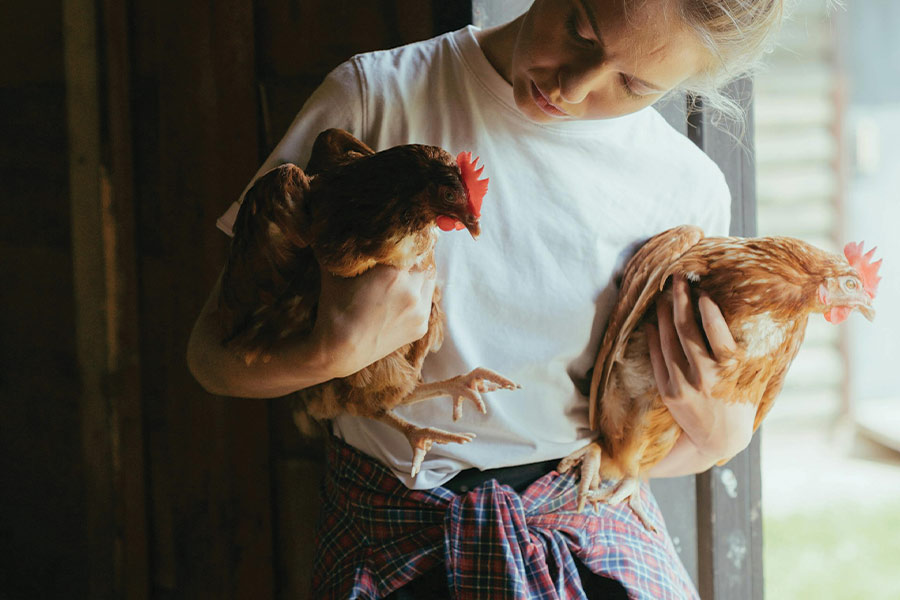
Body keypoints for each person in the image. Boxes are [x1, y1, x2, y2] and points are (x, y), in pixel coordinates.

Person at [187, 0, 784, 597]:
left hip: (585, 549)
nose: (573, 88)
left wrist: (717, 441)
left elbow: (636, 454)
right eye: (580, 31)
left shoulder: (688, 187)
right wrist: (329, 352)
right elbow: (211, 358)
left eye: (634, 84)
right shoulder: (377, 98)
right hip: (398, 547)